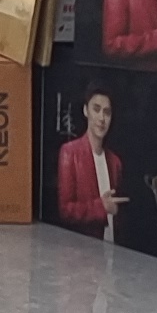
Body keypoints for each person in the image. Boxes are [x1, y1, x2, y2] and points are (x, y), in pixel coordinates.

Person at [55, 89, 121, 231]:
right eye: (96, 109)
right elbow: (65, 210)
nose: (102, 118)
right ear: (86, 110)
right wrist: (101, 206)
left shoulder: (115, 162)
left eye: (107, 112)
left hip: (111, 241)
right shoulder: (70, 153)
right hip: (83, 243)